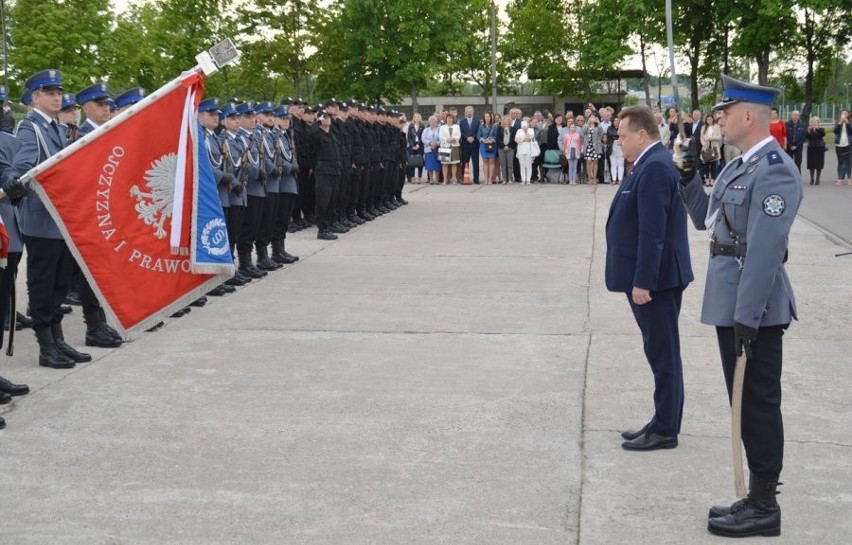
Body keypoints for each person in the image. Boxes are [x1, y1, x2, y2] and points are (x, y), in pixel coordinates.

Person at [678, 74, 802, 538]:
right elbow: (705, 219)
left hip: (754, 309)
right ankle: (753, 496)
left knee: (758, 403)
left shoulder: (774, 169)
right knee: (742, 402)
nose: (719, 121)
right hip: (730, 300)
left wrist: (747, 317)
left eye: (725, 113)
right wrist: (688, 178)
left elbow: (766, 252)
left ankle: (765, 503)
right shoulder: (737, 166)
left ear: (749, 116)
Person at [605, 104, 693, 453]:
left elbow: (652, 232)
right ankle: (662, 420)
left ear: (642, 135)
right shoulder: (648, 163)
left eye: (623, 136)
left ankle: (665, 428)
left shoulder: (654, 167)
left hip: (655, 281)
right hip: (653, 277)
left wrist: (643, 281)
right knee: (660, 350)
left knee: (663, 352)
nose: (619, 142)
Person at [3, 69, 90, 369]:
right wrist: (12, 180)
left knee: (59, 284)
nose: (57, 97)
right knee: (43, 283)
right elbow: (21, 166)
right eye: (50, 93)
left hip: (60, 218)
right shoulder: (31, 128)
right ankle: (45, 346)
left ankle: (58, 339)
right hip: (41, 220)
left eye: (58, 93)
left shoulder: (56, 128)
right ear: (35, 97)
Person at [459, 105, 480, 184]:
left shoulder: (477, 121)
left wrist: (473, 137)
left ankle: (476, 179)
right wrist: (467, 138)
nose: (469, 113)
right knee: (464, 162)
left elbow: (478, 131)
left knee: (475, 163)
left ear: (473, 112)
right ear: (465, 113)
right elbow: (460, 132)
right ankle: (464, 178)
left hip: (475, 145)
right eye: (467, 111)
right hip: (465, 145)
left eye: (470, 111)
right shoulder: (462, 122)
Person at [438, 112, 461, 184]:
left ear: (453, 119)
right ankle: (445, 179)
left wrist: (454, 139)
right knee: (445, 163)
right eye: (448, 118)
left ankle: (453, 179)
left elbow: (459, 135)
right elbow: (441, 136)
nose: (449, 120)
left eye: (451, 118)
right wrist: (447, 140)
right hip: (445, 146)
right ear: (446, 119)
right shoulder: (442, 127)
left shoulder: (457, 126)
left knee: (454, 163)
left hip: (454, 146)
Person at [700, 114, 722, 186]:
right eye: (707, 119)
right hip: (706, 147)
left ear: (713, 119)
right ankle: (707, 180)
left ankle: (712, 180)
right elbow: (701, 137)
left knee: (713, 164)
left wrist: (711, 138)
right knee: (705, 164)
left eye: (710, 119)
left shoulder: (717, 126)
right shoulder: (703, 127)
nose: (709, 121)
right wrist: (703, 143)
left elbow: (719, 137)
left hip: (714, 147)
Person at [477, 111, 498, 184]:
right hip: (483, 145)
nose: (487, 118)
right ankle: (486, 179)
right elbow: (478, 136)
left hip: (492, 145)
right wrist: (483, 140)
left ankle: (490, 179)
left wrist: (492, 140)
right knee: (485, 162)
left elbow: (496, 136)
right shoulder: (481, 126)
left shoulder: (494, 126)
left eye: (488, 116)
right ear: (484, 118)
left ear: (491, 117)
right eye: (486, 116)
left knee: (491, 162)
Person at [805, 115, 826, 185]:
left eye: (816, 122)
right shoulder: (809, 129)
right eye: (813, 122)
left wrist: (816, 128)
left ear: (818, 122)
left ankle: (818, 179)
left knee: (819, 164)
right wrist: (808, 131)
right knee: (811, 164)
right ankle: (812, 179)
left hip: (819, 147)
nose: (815, 123)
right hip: (811, 148)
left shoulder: (821, 129)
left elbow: (822, 134)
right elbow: (806, 137)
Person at [514, 118, 536, 185]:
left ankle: (528, 179)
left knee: (528, 165)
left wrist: (526, 132)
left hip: (529, 149)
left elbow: (531, 138)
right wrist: (524, 139)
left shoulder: (531, 130)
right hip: (521, 149)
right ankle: (523, 179)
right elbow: (516, 139)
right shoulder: (519, 130)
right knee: (522, 165)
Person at [421, 115, 441, 184]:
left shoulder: (439, 129)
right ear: (429, 122)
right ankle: (431, 179)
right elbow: (423, 139)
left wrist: (436, 143)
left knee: (437, 165)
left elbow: (441, 138)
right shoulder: (426, 130)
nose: (432, 122)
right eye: (431, 121)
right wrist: (430, 143)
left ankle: (436, 179)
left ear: (436, 122)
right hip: (428, 149)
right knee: (429, 165)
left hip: (437, 150)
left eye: (434, 121)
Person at [583, 115, 603, 185]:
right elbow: (583, 132)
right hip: (588, 146)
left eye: (593, 117)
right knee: (588, 162)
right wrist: (588, 123)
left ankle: (594, 178)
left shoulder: (598, 126)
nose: (592, 119)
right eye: (590, 118)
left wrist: (598, 122)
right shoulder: (586, 126)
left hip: (596, 146)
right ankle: (589, 178)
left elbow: (601, 133)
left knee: (595, 162)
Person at [496, 114, 516, 184]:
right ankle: (504, 179)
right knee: (503, 164)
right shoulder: (499, 128)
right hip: (501, 148)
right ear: (502, 121)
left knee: (510, 164)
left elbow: (513, 139)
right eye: (505, 120)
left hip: (510, 148)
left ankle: (510, 179)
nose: (506, 121)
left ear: (510, 121)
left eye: (507, 120)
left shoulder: (512, 129)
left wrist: (508, 146)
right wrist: (503, 146)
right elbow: (498, 139)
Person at [834, 109, 851, 185]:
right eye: (843, 114)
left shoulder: (850, 122)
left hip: (848, 144)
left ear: (848, 115)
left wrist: (847, 123)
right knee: (840, 162)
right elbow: (835, 131)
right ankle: (840, 178)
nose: (844, 115)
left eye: (845, 114)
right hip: (839, 144)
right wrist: (840, 123)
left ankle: (849, 179)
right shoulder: (838, 122)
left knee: (848, 162)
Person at [406, 112, 424, 183]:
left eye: (418, 117)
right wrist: (412, 145)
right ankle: (412, 177)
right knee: (412, 162)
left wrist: (418, 145)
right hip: (412, 146)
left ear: (420, 118)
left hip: (420, 146)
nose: (417, 118)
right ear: (413, 118)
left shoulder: (422, 126)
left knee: (420, 162)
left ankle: (419, 178)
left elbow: (422, 137)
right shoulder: (411, 126)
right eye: (415, 117)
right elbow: (409, 137)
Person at [608, 117, 625, 185]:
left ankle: (620, 179)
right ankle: (614, 179)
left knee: (620, 165)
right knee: (613, 165)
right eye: (615, 120)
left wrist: (616, 136)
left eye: (618, 121)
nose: (616, 122)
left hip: (621, 148)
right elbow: (610, 134)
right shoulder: (610, 128)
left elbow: (623, 134)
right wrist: (618, 135)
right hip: (612, 149)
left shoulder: (623, 128)